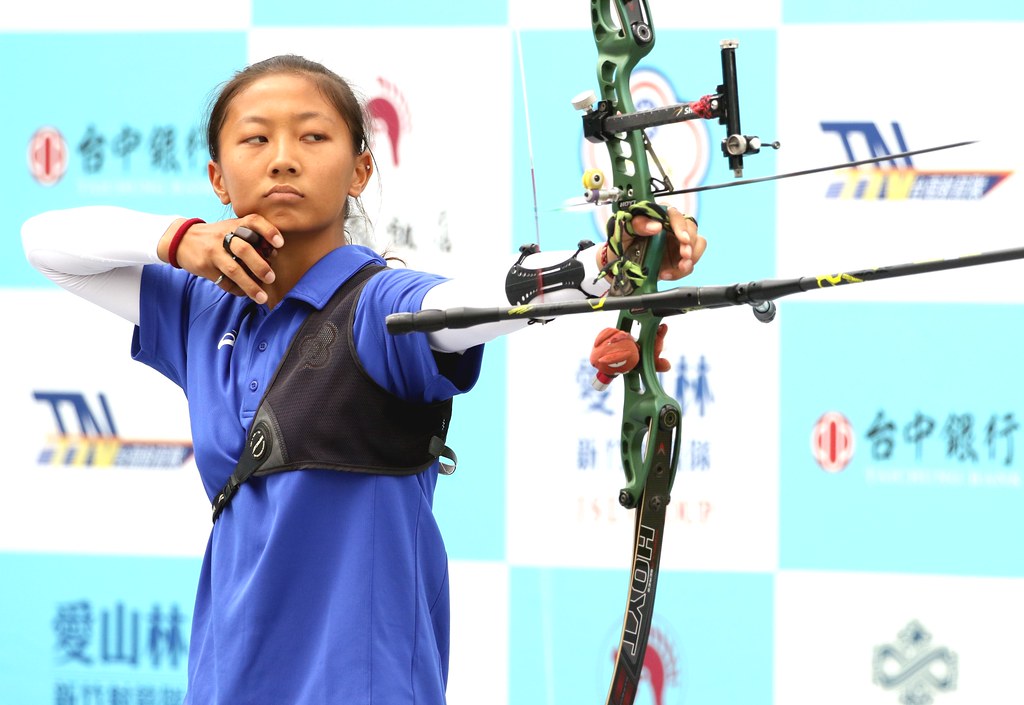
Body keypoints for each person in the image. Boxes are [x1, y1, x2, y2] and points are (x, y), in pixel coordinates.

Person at [21, 54, 706, 704]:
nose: (283, 156)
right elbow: (45, 244)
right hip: (227, 680)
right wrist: (180, 239)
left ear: (359, 170)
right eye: (255, 139)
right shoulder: (203, 306)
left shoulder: (381, 303)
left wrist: (601, 264)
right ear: (217, 179)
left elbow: (468, 302)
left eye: (313, 136)